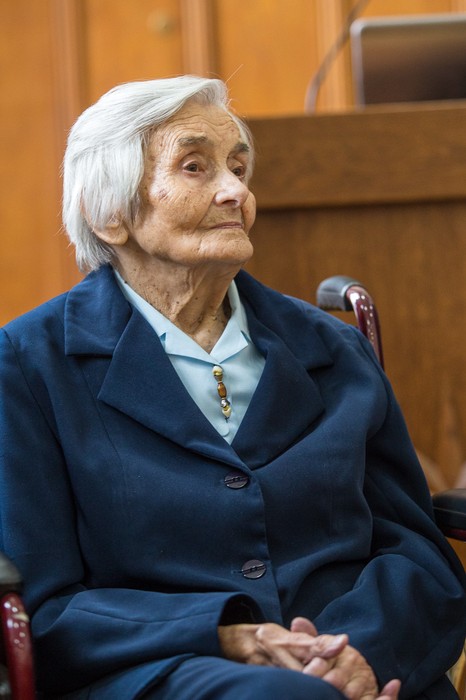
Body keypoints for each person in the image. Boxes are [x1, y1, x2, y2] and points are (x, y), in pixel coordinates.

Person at [0, 75, 464, 700]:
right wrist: (228, 635)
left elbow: (417, 553)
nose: (236, 191)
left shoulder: (332, 350)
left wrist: (360, 654)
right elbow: (45, 605)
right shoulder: (29, 365)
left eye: (240, 169)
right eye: (196, 167)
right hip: (162, 665)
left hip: (359, 661)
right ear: (108, 214)